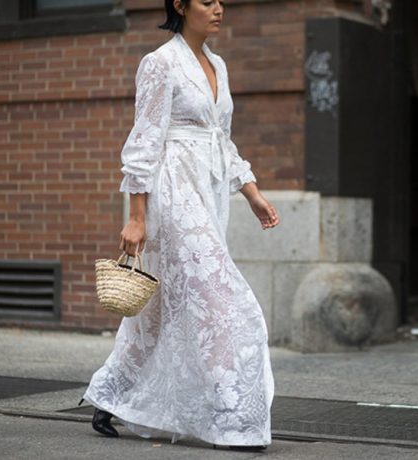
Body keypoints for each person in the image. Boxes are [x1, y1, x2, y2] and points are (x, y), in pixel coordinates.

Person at [78, 0, 279, 451]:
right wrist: (136, 218)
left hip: (208, 195)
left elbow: (222, 140)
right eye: (207, 1)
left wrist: (252, 193)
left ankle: (109, 394)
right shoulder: (159, 63)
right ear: (180, 6)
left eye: (221, 1)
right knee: (223, 302)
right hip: (171, 196)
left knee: (158, 313)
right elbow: (144, 141)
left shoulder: (218, 65)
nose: (218, 9)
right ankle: (233, 418)